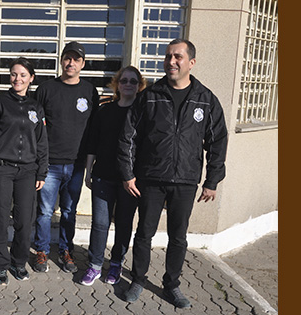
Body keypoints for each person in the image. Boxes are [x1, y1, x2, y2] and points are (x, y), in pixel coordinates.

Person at [118, 39, 228, 308]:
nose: (171, 62)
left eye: (178, 57)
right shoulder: (149, 96)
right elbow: (128, 137)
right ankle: (139, 279)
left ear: (191, 62)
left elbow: (218, 141)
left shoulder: (206, 99)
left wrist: (212, 180)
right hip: (151, 178)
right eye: (168, 56)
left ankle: (172, 285)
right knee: (144, 233)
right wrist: (128, 173)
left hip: (186, 180)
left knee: (178, 237)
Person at [32, 41, 100, 273]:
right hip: (49, 164)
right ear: (61, 61)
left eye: (76, 59)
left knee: (69, 212)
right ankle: (41, 251)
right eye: (67, 58)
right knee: (44, 212)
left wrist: (90, 166)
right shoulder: (46, 89)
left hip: (76, 164)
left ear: (82, 63)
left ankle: (65, 250)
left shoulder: (90, 91)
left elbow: (93, 130)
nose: (70, 63)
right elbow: (35, 127)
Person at [0, 58, 48, 285]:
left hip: (28, 172)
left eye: (22, 75)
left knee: (24, 220)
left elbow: (42, 142)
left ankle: (18, 262)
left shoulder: (36, 107)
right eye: (13, 74)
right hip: (2, 170)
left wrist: (41, 172)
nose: (17, 79)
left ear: (31, 78)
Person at [80, 66, 146, 286]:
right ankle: (95, 265)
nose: (128, 84)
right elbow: (92, 143)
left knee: (124, 223)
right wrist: (89, 171)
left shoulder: (142, 114)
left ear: (139, 86)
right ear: (117, 84)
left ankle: (116, 263)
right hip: (103, 176)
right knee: (100, 224)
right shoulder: (104, 111)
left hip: (130, 181)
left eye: (133, 81)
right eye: (124, 80)